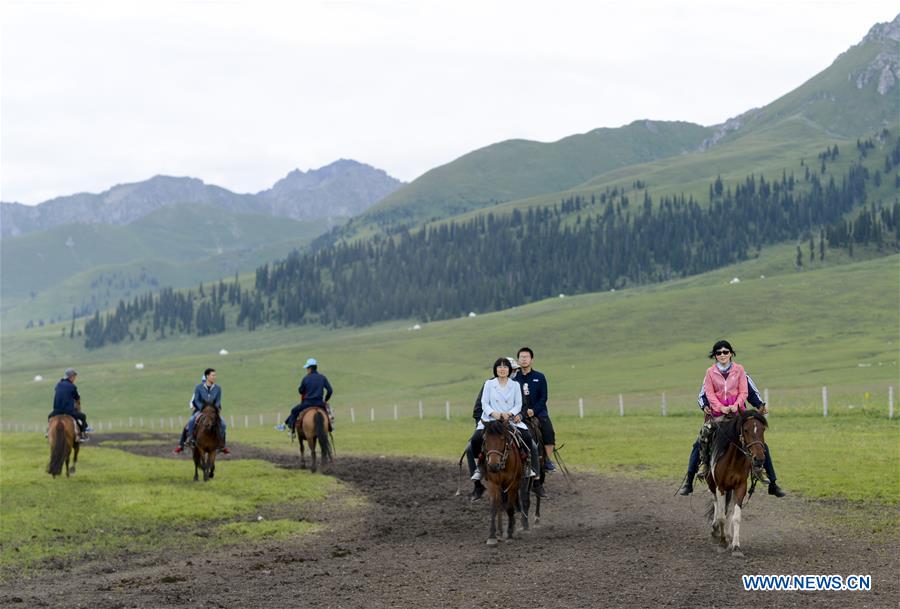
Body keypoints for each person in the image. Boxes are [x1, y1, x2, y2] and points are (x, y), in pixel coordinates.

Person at [678, 372, 786, 497]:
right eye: (721, 357)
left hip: (738, 418)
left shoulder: (742, 375)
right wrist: (705, 405)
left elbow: (752, 393)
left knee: (759, 444)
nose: (724, 360)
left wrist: (760, 404)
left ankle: (772, 483)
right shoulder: (711, 376)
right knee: (700, 442)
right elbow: (702, 396)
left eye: (726, 356)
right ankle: (690, 481)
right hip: (718, 418)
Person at [470, 357, 538, 483]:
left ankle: (527, 467)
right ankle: (479, 467)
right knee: (475, 440)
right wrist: (494, 413)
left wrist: (510, 414)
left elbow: (519, 404)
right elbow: (484, 403)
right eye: (500, 367)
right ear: (495, 369)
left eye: (505, 367)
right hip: (491, 419)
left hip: (509, 420)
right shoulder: (489, 384)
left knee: (527, 438)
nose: (502, 369)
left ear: (509, 370)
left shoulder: (516, 385)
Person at [693, 340, 747, 482]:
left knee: (755, 438)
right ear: (715, 355)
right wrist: (721, 408)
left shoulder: (739, 370)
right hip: (718, 414)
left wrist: (736, 405)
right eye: (719, 353)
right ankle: (704, 465)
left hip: (737, 413)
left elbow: (744, 391)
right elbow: (709, 394)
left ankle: (762, 471)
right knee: (703, 436)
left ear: (731, 353)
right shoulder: (710, 372)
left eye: (725, 352)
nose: (722, 355)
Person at [516, 347, 557, 473]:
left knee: (549, 432)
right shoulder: (514, 378)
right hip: (519, 413)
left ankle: (547, 461)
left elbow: (543, 397)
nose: (524, 359)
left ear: (532, 360)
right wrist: (521, 412)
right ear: (518, 360)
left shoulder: (539, 377)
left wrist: (533, 411)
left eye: (526, 357)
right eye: (521, 357)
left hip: (538, 412)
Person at [173, 368, 230, 454]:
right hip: (200, 411)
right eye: (213, 375)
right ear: (207, 377)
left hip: (213, 412)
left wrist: (214, 409)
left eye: (215, 375)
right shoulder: (198, 388)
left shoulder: (218, 388)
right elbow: (195, 400)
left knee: (223, 424)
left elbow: (218, 401)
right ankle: (189, 440)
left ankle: (221, 445)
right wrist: (203, 409)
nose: (214, 377)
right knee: (191, 421)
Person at [283, 358, 333, 432]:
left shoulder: (306, 378)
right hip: (319, 403)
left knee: (294, 410)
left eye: (307, 368)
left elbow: (300, 391)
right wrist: (325, 400)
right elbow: (330, 390)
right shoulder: (323, 377)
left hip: (307, 403)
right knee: (328, 413)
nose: (307, 370)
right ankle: (330, 427)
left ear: (310, 368)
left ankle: (291, 429)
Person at [49, 368, 91, 441]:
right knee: (83, 416)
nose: (75, 379)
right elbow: (77, 398)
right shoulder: (72, 386)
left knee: (49, 417)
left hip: (57, 411)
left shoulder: (58, 384)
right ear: (71, 377)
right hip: (68, 411)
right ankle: (83, 434)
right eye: (74, 377)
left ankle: (48, 432)